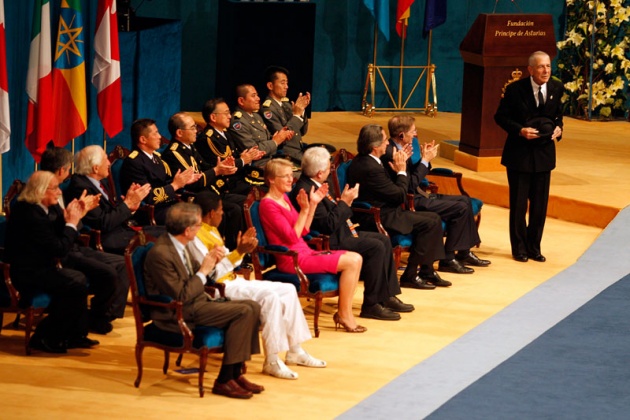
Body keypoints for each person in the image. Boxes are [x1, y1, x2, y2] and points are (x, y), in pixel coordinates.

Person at [187, 192, 326, 380]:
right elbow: (210, 275)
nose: (222, 214)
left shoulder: (211, 229)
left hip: (232, 280)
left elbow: (229, 261)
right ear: (211, 213)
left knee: (288, 289)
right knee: (270, 297)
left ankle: (295, 350)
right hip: (218, 287)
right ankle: (272, 360)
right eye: (220, 211)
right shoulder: (196, 236)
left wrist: (240, 251)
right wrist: (238, 252)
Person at [143, 202, 263, 399]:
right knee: (244, 311)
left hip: (198, 301)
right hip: (177, 312)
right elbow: (180, 296)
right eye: (198, 226)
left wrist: (217, 260)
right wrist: (203, 270)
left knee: (253, 306)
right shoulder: (161, 254)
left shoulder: (184, 245)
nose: (201, 229)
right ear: (188, 230)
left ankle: (235, 374)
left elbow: (206, 276)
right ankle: (224, 380)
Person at [291, 147, 414, 321]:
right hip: (330, 240)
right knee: (376, 246)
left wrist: (342, 201)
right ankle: (371, 305)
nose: (330, 170)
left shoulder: (316, 183)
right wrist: (346, 203)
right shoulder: (305, 190)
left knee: (382, 239)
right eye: (328, 168)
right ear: (319, 173)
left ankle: (386, 296)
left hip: (342, 233)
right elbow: (328, 225)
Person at [259, 158, 366, 333]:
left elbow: (304, 231)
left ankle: (343, 313)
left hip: (304, 252)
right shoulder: (268, 204)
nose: (290, 179)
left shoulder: (284, 198)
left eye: (290, 175)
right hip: (291, 259)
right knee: (353, 261)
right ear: (271, 179)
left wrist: (312, 204)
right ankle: (344, 315)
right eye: (284, 176)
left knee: (356, 258)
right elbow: (292, 236)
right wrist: (303, 210)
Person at [5, 171, 99, 353]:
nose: (59, 192)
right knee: (76, 283)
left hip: (41, 266)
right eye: (55, 188)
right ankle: (45, 337)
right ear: (41, 190)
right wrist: (71, 223)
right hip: (26, 272)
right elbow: (58, 249)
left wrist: (73, 217)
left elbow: (52, 237)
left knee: (78, 279)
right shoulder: (29, 213)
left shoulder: (42, 208)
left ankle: (73, 335)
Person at [346, 124, 450, 289]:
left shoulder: (371, 161)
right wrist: (401, 171)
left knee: (433, 218)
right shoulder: (370, 167)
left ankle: (426, 270)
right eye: (385, 140)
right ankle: (411, 275)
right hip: (379, 215)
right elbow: (399, 196)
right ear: (374, 146)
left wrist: (398, 171)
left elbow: (392, 190)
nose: (388, 143)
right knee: (431, 222)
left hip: (388, 210)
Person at [383, 115, 491, 273]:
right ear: (401, 135)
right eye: (413, 131)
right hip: (411, 200)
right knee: (460, 207)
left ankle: (463, 252)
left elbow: (413, 175)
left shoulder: (401, 148)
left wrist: (424, 160)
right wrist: (425, 161)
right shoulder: (391, 153)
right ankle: (448, 259)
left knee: (464, 201)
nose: (415, 134)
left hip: (420, 194)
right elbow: (410, 185)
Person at [40, 147, 123, 331]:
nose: (70, 173)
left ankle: (97, 317)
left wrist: (78, 214)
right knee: (106, 272)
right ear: (62, 170)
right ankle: (90, 321)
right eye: (68, 169)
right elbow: (55, 234)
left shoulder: (57, 190)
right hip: (61, 254)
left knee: (118, 264)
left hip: (74, 246)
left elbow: (72, 227)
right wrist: (73, 217)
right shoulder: (45, 195)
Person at [494, 51, 564, 263]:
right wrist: (520, 130)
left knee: (540, 206)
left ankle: (535, 248)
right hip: (520, 155)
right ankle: (519, 248)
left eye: (549, 66)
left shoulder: (556, 87)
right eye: (541, 67)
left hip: (544, 155)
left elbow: (558, 116)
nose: (546, 71)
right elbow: (500, 117)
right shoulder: (515, 90)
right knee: (518, 205)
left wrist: (559, 129)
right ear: (530, 69)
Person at [160, 111, 245, 249]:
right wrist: (216, 171)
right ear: (180, 133)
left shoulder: (190, 147)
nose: (197, 130)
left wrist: (221, 167)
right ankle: (228, 249)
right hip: (193, 195)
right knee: (233, 209)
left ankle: (242, 248)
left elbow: (205, 167)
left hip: (208, 190)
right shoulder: (174, 153)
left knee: (244, 201)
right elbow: (195, 182)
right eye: (193, 127)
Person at [66, 145, 164, 255]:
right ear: (96, 168)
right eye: (106, 159)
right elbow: (103, 223)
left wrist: (130, 205)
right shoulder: (81, 189)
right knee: (164, 241)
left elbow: (111, 209)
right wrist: (127, 204)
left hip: (122, 229)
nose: (109, 163)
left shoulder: (100, 181)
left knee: (169, 231)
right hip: (109, 238)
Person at [119, 118, 201, 225]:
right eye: (156, 133)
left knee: (202, 207)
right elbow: (148, 197)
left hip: (167, 205)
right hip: (149, 211)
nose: (160, 137)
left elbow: (164, 182)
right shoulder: (134, 162)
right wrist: (175, 185)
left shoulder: (156, 157)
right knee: (190, 218)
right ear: (143, 139)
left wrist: (182, 182)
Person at [195, 98, 266, 194]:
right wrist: (243, 160)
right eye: (226, 113)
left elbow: (235, 156)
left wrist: (250, 156)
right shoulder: (207, 139)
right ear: (213, 117)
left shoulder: (225, 133)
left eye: (229, 112)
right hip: (226, 184)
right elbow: (223, 166)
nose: (229, 116)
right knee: (265, 191)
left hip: (239, 177)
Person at [227, 84, 294, 169]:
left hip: (270, 160)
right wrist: (275, 141)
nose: (258, 98)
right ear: (241, 101)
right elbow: (254, 151)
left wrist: (281, 136)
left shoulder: (256, 116)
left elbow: (267, 138)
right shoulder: (237, 122)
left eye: (257, 95)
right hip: (255, 166)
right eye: (253, 96)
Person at [259, 65, 309, 166]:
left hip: (298, 150)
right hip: (285, 155)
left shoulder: (286, 104)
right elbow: (285, 136)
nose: (286, 86)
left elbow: (303, 131)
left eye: (287, 83)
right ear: (270, 86)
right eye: (282, 83)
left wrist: (301, 111)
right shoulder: (267, 109)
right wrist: (296, 115)